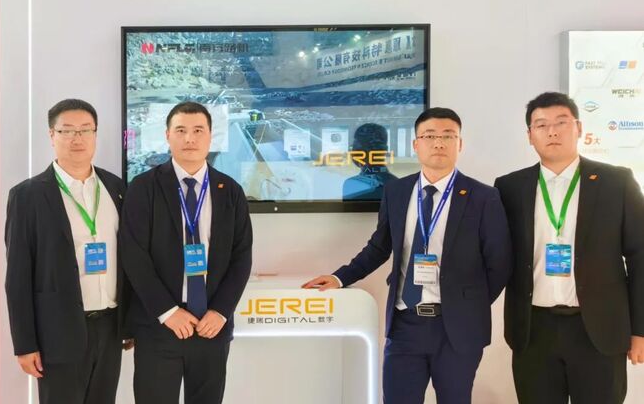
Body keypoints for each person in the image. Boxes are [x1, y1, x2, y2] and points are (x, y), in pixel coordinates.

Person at [303, 107, 512, 404]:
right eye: (429, 136)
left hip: (456, 329)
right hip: (405, 325)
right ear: (416, 144)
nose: (438, 143)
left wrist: (467, 303)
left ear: (460, 144)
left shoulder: (483, 196)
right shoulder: (397, 191)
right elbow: (379, 247)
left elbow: (499, 262)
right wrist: (339, 277)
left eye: (448, 136)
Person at [494, 91, 644, 404]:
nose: (552, 131)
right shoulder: (509, 187)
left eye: (561, 122)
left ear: (579, 128)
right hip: (533, 331)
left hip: (599, 331)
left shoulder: (616, 182)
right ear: (530, 136)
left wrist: (640, 330)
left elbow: (640, 256)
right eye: (541, 125)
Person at [121, 101, 252, 404]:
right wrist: (168, 312)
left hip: (211, 326)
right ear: (167, 135)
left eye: (198, 130)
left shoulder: (230, 190)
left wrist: (220, 311)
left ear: (210, 136)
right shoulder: (144, 187)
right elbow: (134, 255)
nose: (189, 138)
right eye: (180, 130)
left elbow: (241, 256)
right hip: (159, 326)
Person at [4, 98, 129, 404]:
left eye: (86, 130)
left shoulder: (116, 188)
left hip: (110, 327)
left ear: (95, 135)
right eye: (67, 130)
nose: (77, 138)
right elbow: (18, 276)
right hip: (57, 330)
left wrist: (131, 323)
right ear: (52, 135)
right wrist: (25, 344)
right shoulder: (28, 196)